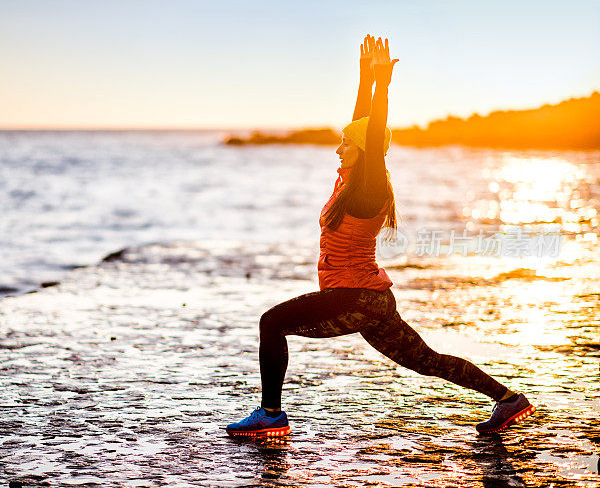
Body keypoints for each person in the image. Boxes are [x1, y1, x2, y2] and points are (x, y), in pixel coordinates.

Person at [225, 35, 535, 437]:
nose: (338, 148)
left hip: (356, 296)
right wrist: (363, 79)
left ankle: (270, 415)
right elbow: (360, 126)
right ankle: (509, 401)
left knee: (272, 323)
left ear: (363, 150)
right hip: (370, 300)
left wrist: (383, 85)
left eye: (345, 144)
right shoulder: (349, 180)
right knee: (429, 361)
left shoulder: (370, 187)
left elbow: (372, 135)